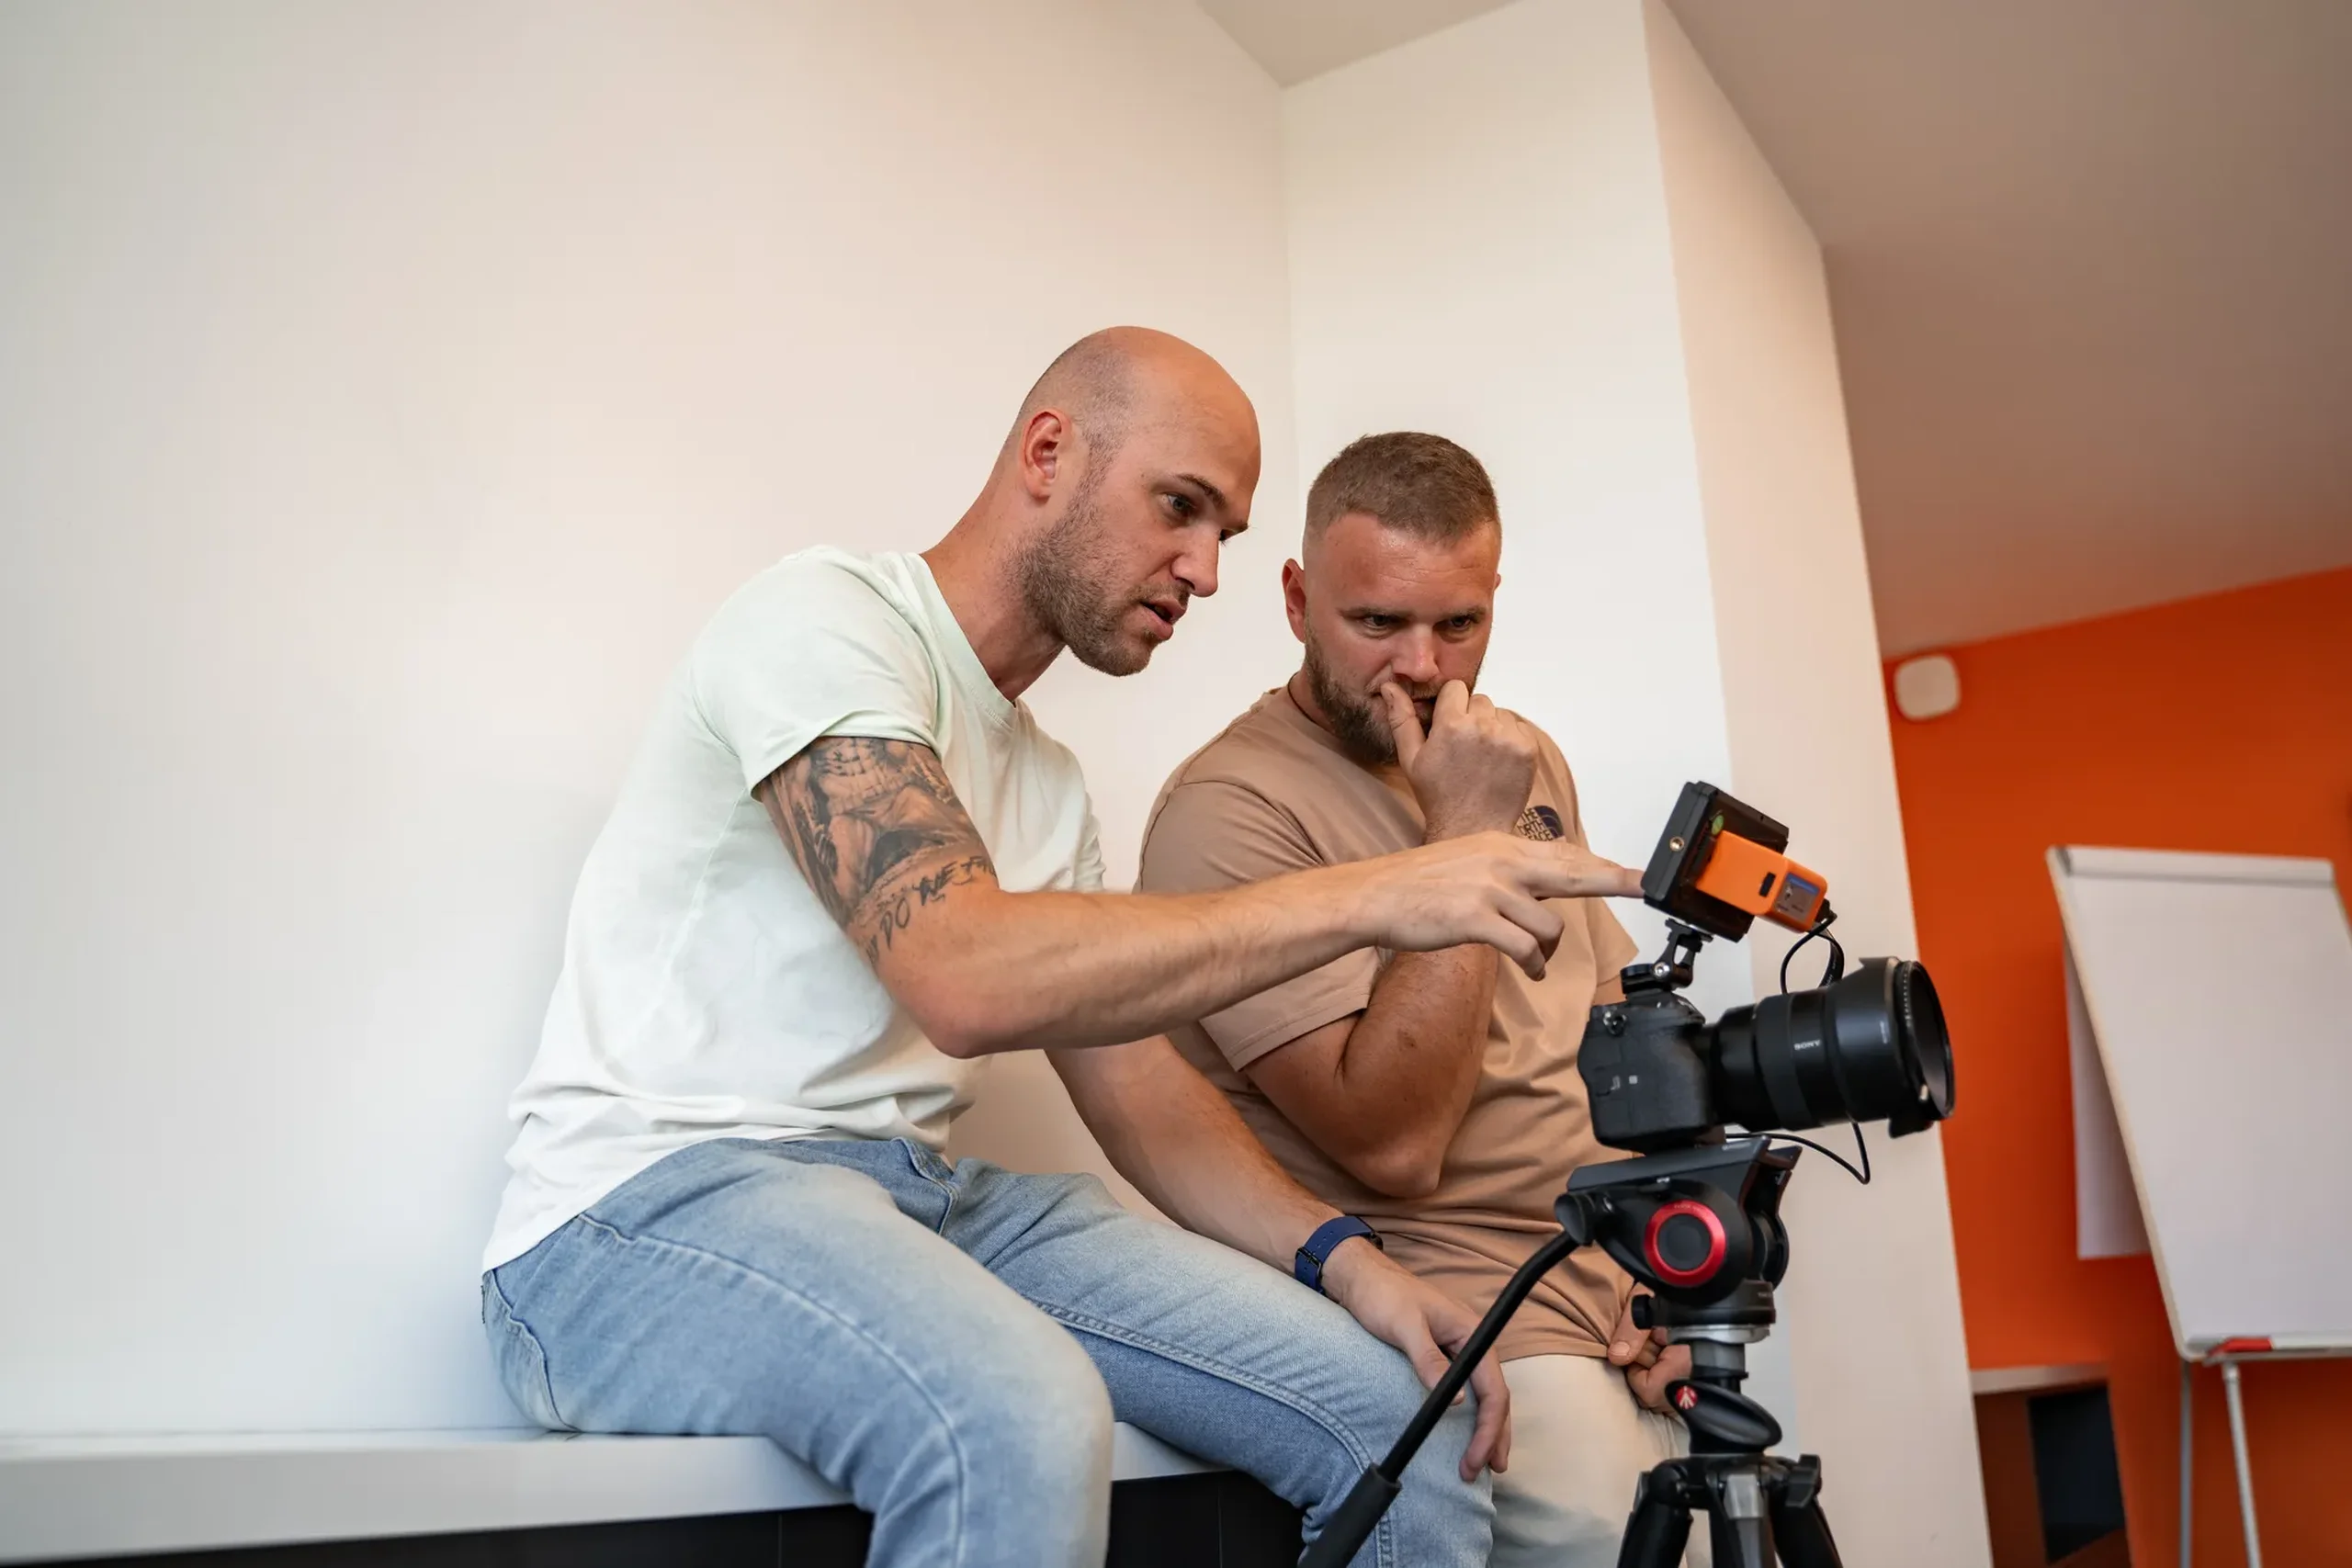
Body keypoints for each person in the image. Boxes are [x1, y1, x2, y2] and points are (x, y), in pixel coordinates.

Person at [480, 331, 1645, 1568]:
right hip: (641, 1213)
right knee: (1017, 1413)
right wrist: (1387, 893)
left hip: (917, 1200)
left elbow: (1142, 1090)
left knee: (1406, 1413)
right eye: (1179, 507)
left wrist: (1348, 1263)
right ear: (1048, 453)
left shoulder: (1045, 786)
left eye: (1224, 534)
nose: (1203, 571)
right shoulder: (822, 620)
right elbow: (958, 968)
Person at [1136, 432, 1705, 1568]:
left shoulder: (1515, 757)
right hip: (1451, 1317)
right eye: (1377, 622)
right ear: (1296, 601)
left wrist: (1670, 1275)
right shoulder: (1230, 808)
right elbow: (1392, 1145)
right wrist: (1462, 837)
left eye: (1458, 623)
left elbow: (1613, 1040)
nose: (1423, 667)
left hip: (1609, 1297)